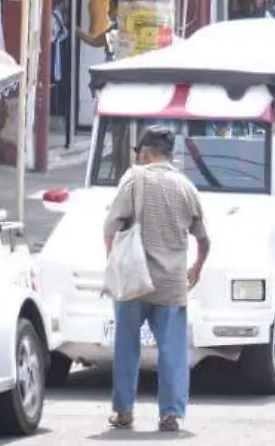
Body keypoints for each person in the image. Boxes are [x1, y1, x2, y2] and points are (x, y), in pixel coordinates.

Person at [104, 126, 210, 433]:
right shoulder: (186, 187)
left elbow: (110, 226)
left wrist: (112, 260)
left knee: (126, 346)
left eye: (140, 153)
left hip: (134, 282)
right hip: (171, 284)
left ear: (147, 153)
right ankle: (170, 415)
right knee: (173, 350)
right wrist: (196, 268)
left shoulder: (134, 179)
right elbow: (204, 240)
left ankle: (123, 411)